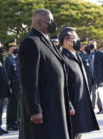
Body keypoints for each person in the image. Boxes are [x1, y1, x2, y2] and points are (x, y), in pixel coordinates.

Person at [19, 9, 73, 139]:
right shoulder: (31, 42)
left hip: (55, 104)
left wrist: (68, 102)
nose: (52, 23)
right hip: (44, 107)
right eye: (49, 21)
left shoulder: (46, 40)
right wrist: (35, 110)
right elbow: (28, 80)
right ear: (38, 22)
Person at [59, 27, 100, 139]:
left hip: (80, 105)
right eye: (74, 38)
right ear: (66, 41)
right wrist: (69, 105)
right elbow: (62, 85)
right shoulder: (62, 58)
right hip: (72, 109)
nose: (78, 41)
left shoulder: (76, 56)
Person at [89, 39, 103, 114]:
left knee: (94, 91)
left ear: (95, 44)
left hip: (97, 76)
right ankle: (101, 109)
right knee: (96, 93)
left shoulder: (101, 53)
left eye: (92, 44)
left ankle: (92, 109)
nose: (90, 45)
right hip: (90, 76)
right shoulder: (88, 54)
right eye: (89, 44)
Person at [4, 39, 20, 131]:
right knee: (12, 105)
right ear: (9, 48)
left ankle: (15, 122)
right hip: (12, 87)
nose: (15, 48)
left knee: (16, 105)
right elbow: (7, 75)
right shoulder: (8, 59)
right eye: (13, 46)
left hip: (18, 86)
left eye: (15, 46)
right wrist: (9, 86)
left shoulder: (15, 58)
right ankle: (10, 124)